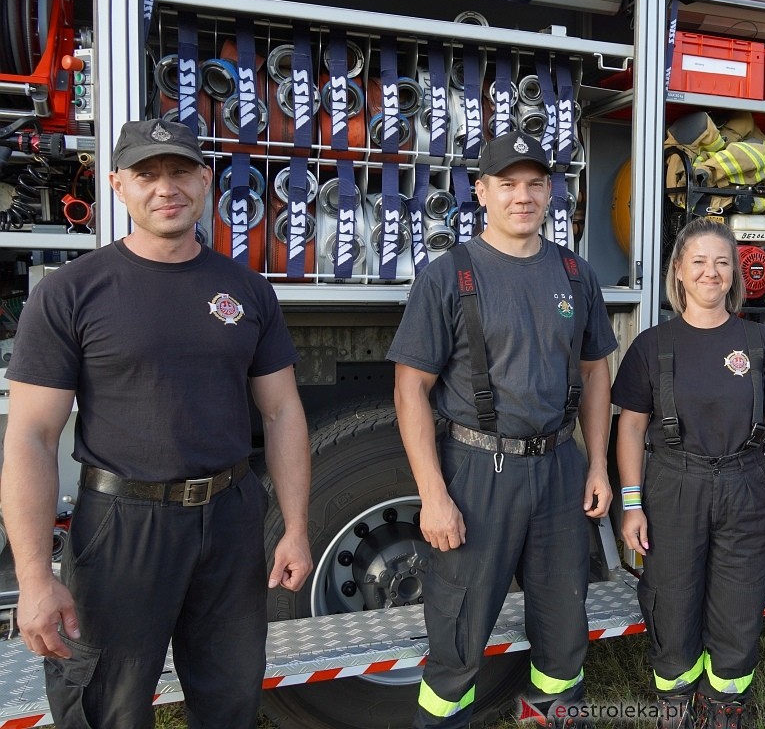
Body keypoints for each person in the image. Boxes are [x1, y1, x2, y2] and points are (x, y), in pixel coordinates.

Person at [0, 118, 313, 729]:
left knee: (230, 698)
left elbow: (282, 411)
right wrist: (34, 578)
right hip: (122, 526)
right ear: (118, 185)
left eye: (179, 172)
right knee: (107, 707)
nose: (164, 188)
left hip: (229, 518)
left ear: (206, 182)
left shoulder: (247, 290)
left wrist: (296, 527)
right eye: (146, 174)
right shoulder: (71, 293)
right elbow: (31, 438)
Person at [388, 129, 617, 729]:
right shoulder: (448, 276)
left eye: (535, 184)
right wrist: (434, 497)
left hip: (560, 471)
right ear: (481, 192)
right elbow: (411, 389)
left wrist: (595, 464)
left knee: (564, 629)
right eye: (508, 185)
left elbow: (596, 374)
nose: (523, 196)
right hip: (477, 474)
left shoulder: (575, 274)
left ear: (551, 193)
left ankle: (553, 717)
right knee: (459, 634)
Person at [612, 218, 765, 729]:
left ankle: (725, 706)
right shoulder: (651, 346)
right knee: (671, 600)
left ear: (735, 274)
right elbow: (629, 430)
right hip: (674, 484)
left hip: (745, 482)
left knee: (739, 603)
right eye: (698, 261)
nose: (711, 272)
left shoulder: (761, 343)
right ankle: (676, 706)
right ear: (678, 272)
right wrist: (632, 503)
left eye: (722, 262)